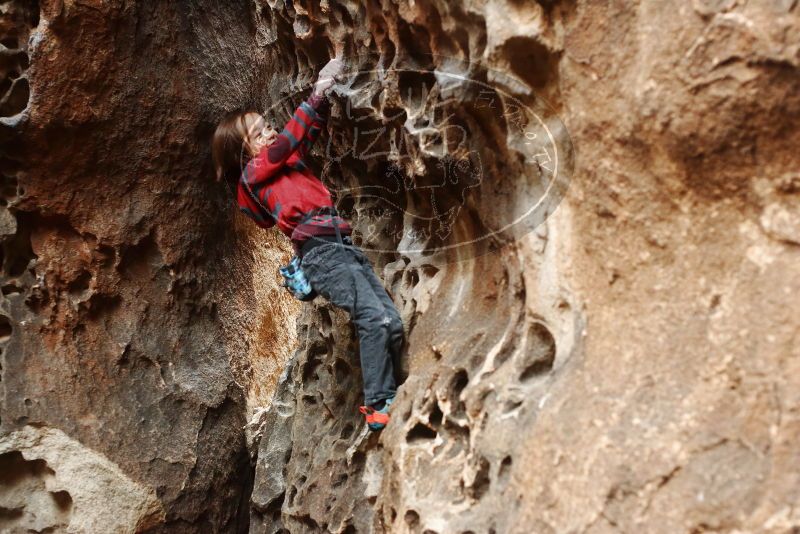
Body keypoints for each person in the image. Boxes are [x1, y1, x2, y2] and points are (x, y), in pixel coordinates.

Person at [211, 59, 403, 431]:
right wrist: (316, 92)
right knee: (375, 319)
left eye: (268, 126)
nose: (269, 132)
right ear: (243, 153)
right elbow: (288, 143)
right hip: (323, 254)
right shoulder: (254, 173)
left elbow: (302, 138)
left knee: (391, 322)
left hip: (340, 246)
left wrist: (325, 101)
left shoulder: (276, 169)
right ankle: (378, 406)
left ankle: (388, 392)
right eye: (258, 133)